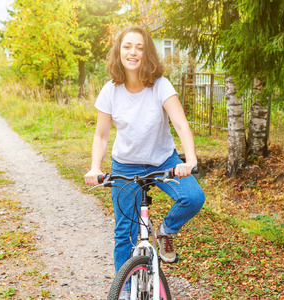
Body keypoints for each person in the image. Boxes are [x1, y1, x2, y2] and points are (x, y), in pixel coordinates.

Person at [83, 25, 205, 297]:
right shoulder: (110, 90)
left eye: (139, 47)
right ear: (119, 51)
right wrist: (95, 167)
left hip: (163, 161)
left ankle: (165, 231)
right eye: (127, 46)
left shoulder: (161, 86)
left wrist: (190, 160)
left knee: (193, 197)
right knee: (123, 233)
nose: (133, 52)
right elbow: (101, 135)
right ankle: (124, 291)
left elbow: (182, 125)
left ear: (146, 52)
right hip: (125, 165)